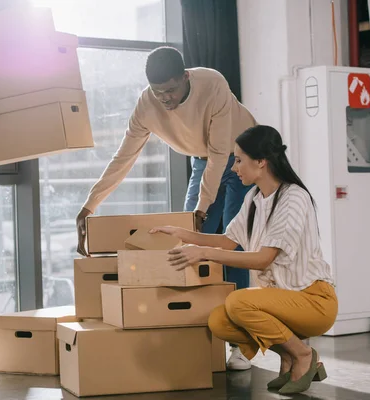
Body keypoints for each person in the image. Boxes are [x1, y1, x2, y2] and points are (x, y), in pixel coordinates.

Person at [75, 46, 256, 369]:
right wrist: (90, 205)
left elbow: (220, 154)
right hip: (204, 161)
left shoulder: (212, 83)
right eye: (159, 93)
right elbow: (124, 157)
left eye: (171, 90)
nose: (166, 99)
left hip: (241, 157)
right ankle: (189, 329)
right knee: (185, 243)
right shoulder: (147, 105)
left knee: (231, 244)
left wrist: (201, 208)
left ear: (185, 77)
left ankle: (239, 343)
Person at [151, 125, 338, 395]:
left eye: (239, 160)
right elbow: (228, 240)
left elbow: (263, 260)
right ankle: (289, 354)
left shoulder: (294, 198)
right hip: (282, 299)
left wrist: (203, 253)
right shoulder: (254, 198)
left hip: (313, 300)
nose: (234, 168)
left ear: (261, 162)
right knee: (219, 321)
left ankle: (303, 355)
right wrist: (183, 234)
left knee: (238, 302)